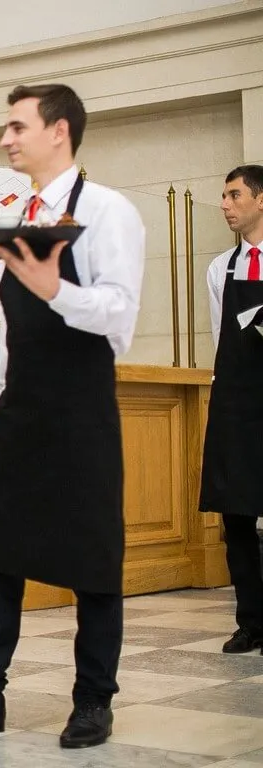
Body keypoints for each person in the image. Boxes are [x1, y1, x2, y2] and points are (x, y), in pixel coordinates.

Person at [0, 84, 145, 748]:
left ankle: (93, 701)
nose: (5, 139)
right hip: (20, 409)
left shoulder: (109, 210)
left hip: (81, 407)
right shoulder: (19, 213)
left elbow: (121, 318)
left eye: (17, 126)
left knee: (94, 558)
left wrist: (54, 288)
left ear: (59, 130)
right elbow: (10, 327)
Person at [199, 164, 263, 656]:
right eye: (223, 196)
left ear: (261, 200)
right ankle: (251, 623)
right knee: (236, 516)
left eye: (234, 195)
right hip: (236, 404)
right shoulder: (219, 269)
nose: (225, 204)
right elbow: (222, 337)